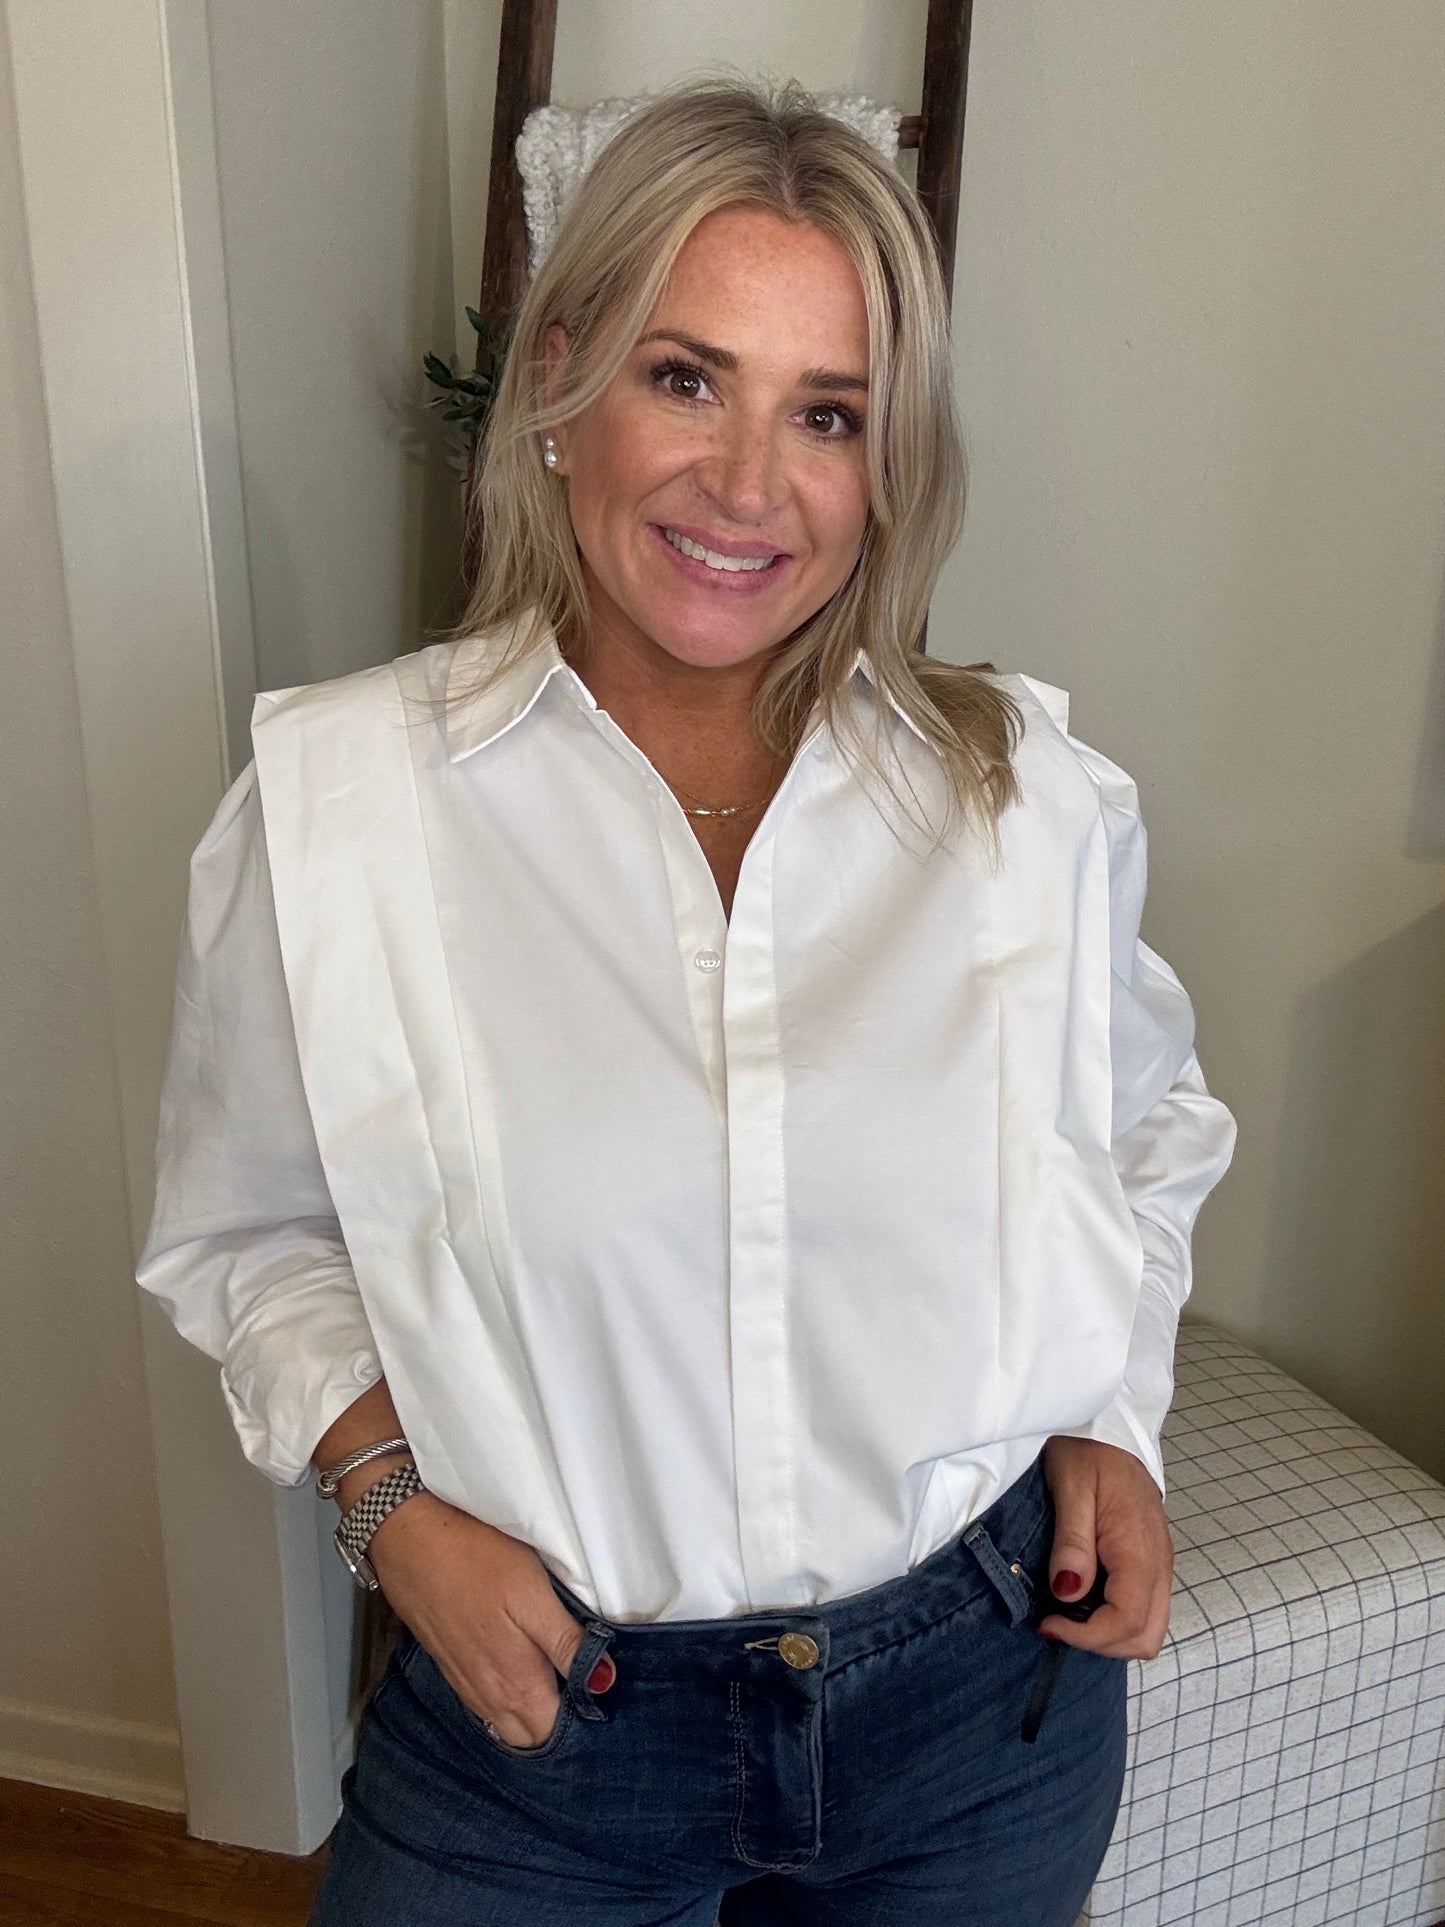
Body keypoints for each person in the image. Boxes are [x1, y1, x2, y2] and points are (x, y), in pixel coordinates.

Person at [136, 76, 1236, 1927]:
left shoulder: (1026, 802)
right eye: (685, 377)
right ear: (562, 380)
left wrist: (1106, 1418)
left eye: (828, 413)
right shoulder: (339, 811)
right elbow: (252, 1233)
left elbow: (1138, 1134)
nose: (746, 485)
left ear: (887, 463)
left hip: (977, 1710)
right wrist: (391, 1511)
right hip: (543, 1730)